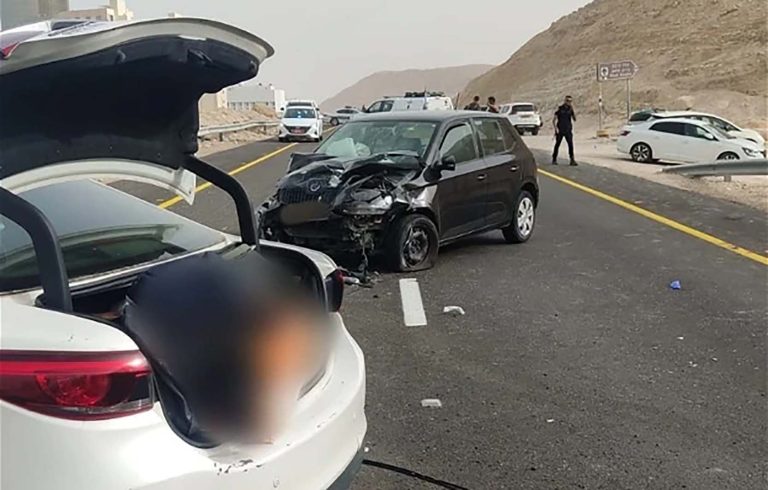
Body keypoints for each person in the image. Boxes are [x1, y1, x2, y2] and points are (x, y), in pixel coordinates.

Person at [552, 95, 577, 165]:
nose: (569, 102)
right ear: (565, 101)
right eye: (567, 101)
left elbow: (574, 119)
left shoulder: (570, 109)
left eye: (570, 101)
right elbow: (554, 120)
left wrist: (573, 111)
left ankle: (572, 160)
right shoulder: (560, 109)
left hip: (568, 130)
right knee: (557, 144)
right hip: (560, 130)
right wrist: (556, 129)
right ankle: (554, 159)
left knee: (570, 145)